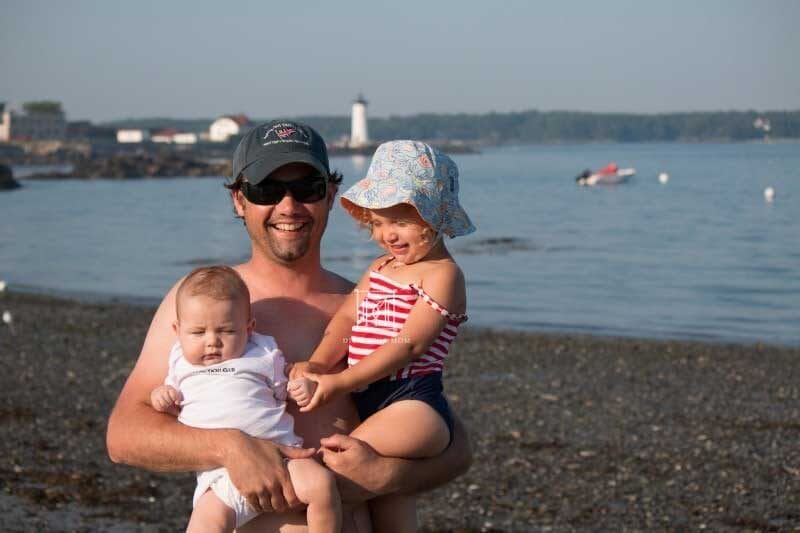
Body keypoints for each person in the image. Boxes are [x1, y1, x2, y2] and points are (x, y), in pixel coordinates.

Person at [106, 120, 473, 532]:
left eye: (307, 187)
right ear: (239, 200)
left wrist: (387, 478)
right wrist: (230, 448)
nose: (288, 206)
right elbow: (124, 436)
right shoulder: (205, 303)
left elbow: (454, 445)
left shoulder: (372, 302)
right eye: (266, 190)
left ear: (331, 196)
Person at [288, 140, 475, 531]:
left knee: (334, 475)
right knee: (388, 499)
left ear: (434, 216)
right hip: (372, 399)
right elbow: (345, 320)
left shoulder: (442, 274)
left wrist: (339, 383)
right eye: (378, 223)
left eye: (401, 220)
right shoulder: (381, 268)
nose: (388, 234)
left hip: (413, 404)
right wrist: (318, 363)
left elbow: (409, 345)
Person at [150, 265, 340, 532]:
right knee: (205, 523)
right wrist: (162, 396)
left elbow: (283, 389)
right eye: (198, 332)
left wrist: (300, 387)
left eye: (226, 331)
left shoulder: (262, 353)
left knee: (321, 484)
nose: (212, 342)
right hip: (220, 475)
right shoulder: (181, 362)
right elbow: (174, 403)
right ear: (178, 330)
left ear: (248, 328)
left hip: (282, 460)